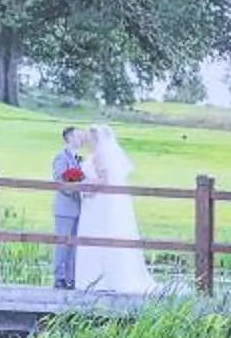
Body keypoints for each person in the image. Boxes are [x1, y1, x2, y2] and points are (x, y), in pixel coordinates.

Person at [69, 126, 154, 295]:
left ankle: (98, 278)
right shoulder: (97, 154)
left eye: (90, 137)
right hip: (95, 202)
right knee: (95, 237)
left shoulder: (99, 155)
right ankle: (95, 278)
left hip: (97, 201)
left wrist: (87, 188)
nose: (87, 140)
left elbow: (105, 180)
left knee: (96, 236)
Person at [48, 126, 88, 290]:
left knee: (73, 244)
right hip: (64, 207)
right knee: (62, 243)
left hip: (78, 207)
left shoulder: (78, 159)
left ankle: (71, 278)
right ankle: (59, 277)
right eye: (79, 136)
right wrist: (76, 189)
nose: (82, 139)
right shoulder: (61, 157)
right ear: (70, 138)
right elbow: (60, 180)